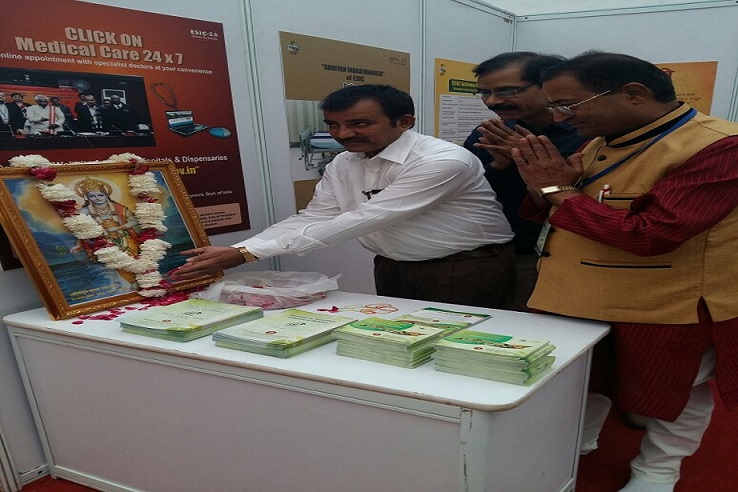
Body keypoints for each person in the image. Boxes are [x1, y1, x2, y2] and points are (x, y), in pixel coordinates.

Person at [510, 51, 738, 492]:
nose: (559, 117)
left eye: (568, 105)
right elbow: (560, 205)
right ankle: (579, 442)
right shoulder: (600, 139)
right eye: (554, 106)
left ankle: (658, 472)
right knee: (583, 382)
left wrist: (556, 187)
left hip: (665, 302)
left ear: (634, 93)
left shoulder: (720, 146)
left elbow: (652, 234)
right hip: (574, 293)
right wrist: (543, 186)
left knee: (677, 393)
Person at [171, 84, 515, 308]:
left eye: (359, 124)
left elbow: (367, 217)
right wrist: (241, 248)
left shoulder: (443, 161)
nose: (342, 134)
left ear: (404, 122)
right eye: (333, 124)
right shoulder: (344, 162)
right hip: (393, 265)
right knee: (403, 341)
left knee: (463, 349)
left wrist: (247, 254)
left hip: (463, 268)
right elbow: (316, 216)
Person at [463, 52, 586, 312]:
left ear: (548, 87)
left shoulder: (586, 133)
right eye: (485, 93)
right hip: (496, 250)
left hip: (567, 252)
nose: (493, 101)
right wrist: (499, 166)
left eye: (508, 91)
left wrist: (531, 160)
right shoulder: (491, 133)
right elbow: (469, 194)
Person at [70, 177, 141, 289]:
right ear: (87, 197)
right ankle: (133, 282)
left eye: (100, 195)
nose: (97, 198)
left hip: (125, 238)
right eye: (92, 196)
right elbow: (82, 230)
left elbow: (134, 221)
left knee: (134, 260)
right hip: (105, 243)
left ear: (106, 195)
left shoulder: (118, 207)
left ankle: (142, 279)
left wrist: (118, 228)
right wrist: (79, 244)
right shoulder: (85, 211)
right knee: (117, 263)